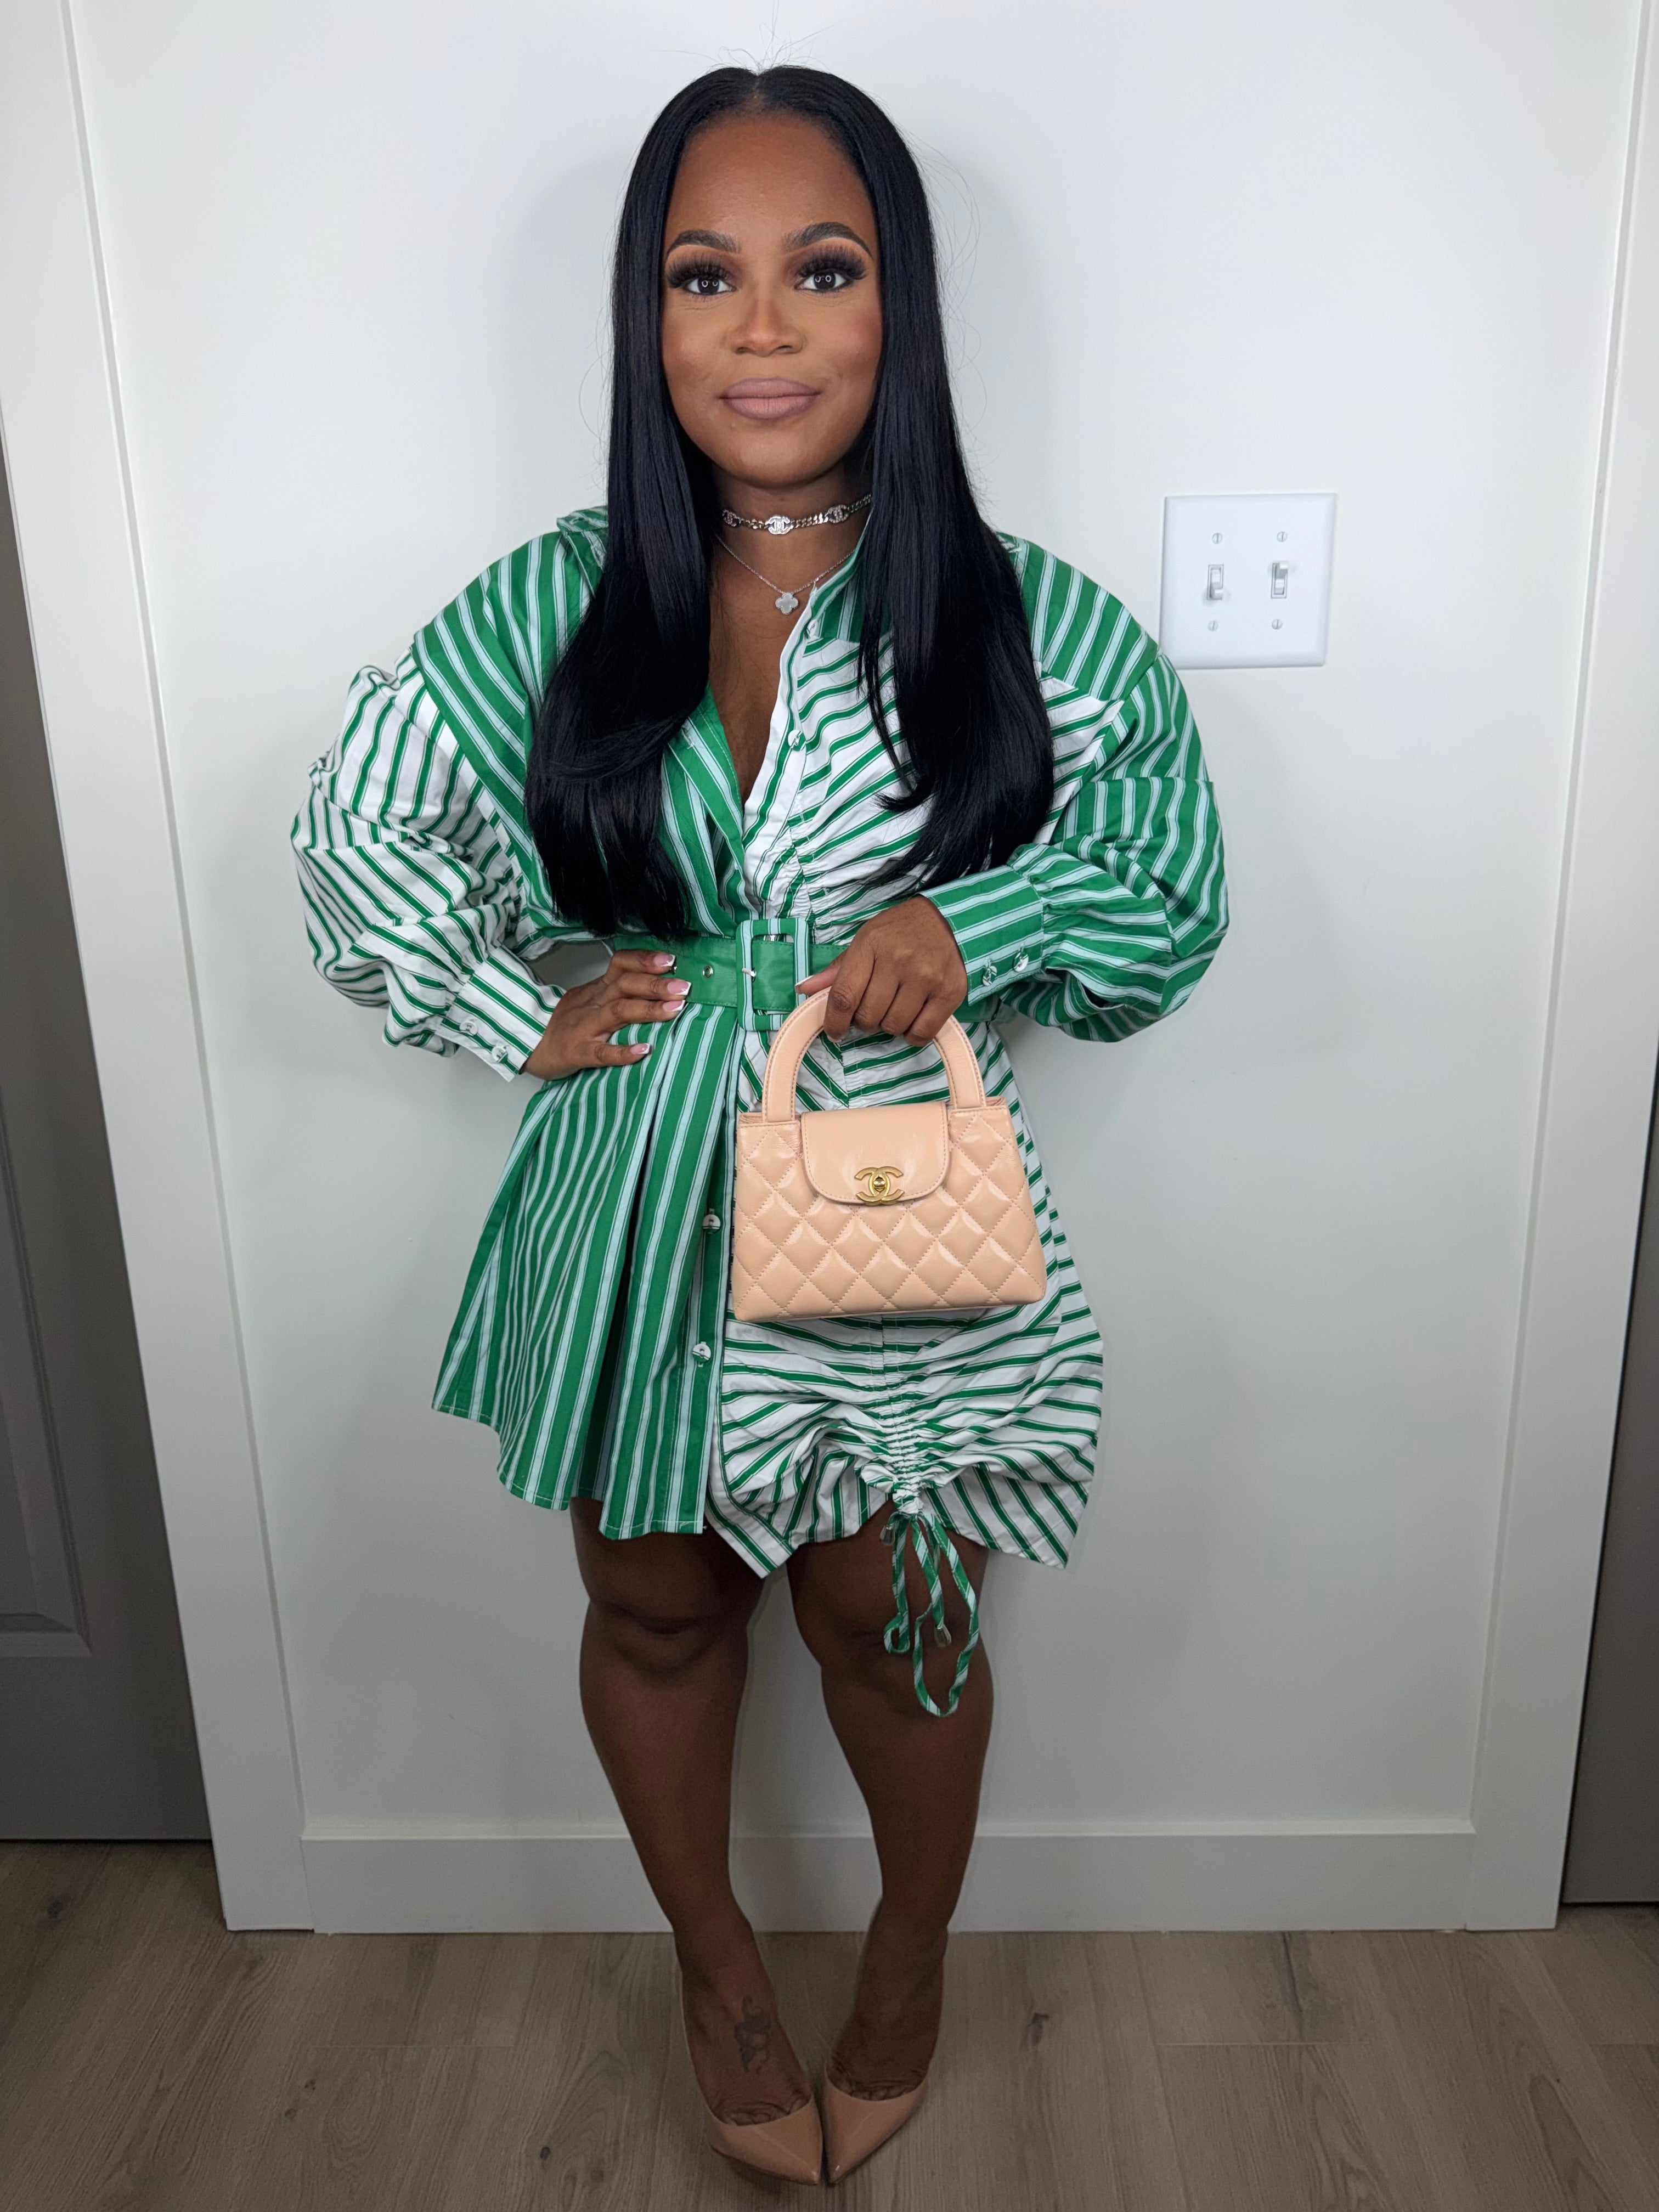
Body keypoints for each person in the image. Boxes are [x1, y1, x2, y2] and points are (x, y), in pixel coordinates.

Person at [291, 63, 1227, 2188]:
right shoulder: (554, 606)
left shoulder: (1023, 614)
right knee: (653, 1601)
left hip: (887, 1175)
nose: (767, 327)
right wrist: (509, 1003)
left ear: (902, 307)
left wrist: (974, 922)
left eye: (826, 268)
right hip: (633, 1180)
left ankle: (906, 1961)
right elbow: (358, 833)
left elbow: (1167, 895)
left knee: (894, 1604)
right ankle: (714, 1969)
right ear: (649, 318)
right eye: (705, 277)